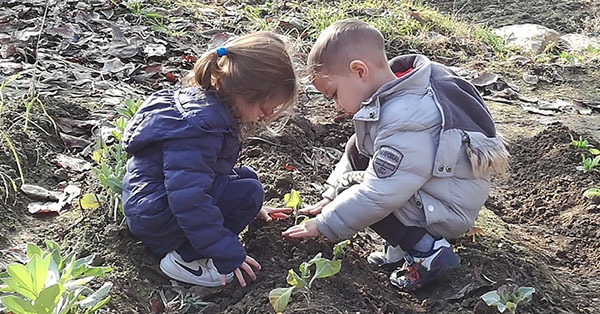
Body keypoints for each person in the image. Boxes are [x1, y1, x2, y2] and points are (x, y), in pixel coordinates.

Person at [282, 18, 509, 292]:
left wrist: (325, 223)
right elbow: (359, 150)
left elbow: (382, 192)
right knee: (359, 154)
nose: (335, 105)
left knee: (365, 191)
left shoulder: (406, 117)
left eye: (334, 94)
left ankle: (428, 251)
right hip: (437, 189)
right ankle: (402, 245)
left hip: (448, 207)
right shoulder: (399, 91)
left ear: (359, 71)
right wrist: (331, 195)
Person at [122, 31, 298, 288]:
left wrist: (251, 207)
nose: (265, 117)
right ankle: (184, 259)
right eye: (264, 109)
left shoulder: (203, 109)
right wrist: (228, 254)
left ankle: (195, 244)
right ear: (245, 92)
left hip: (150, 204)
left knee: (247, 180)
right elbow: (189, 200)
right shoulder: (201, 131)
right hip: (158, 219)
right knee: (247, 191)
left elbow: (203, 175)